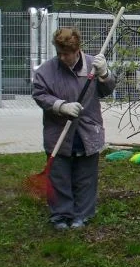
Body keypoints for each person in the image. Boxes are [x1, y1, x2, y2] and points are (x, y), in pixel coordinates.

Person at [32, 27, 116, 230]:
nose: (62, 58)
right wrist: (60, 106)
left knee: (86, 177)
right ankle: (61, 215)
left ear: (77, 50)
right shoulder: (46, 71)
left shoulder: (92, 66)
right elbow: (39, 94)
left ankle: (83, 215)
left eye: (66, 54)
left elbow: (107, 90)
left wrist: (105, 74)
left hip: (88, 130)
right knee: (59, 176)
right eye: (59, 53)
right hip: (58, 132)